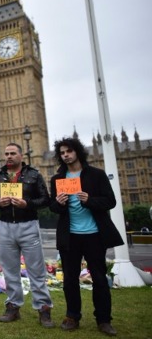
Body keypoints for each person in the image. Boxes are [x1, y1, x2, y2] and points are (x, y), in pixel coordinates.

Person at [49, 137, 123, 336]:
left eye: (69, 151)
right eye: (62, 153)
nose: (66, 155)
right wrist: (59, 202)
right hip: (70, 236)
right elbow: (53, 207)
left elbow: (110, 201)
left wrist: (90, 200)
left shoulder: (96, 175)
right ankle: (72, 316)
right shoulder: (58, 179)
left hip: (94, 235)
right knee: (70, 280)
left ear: (77, 152)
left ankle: (104, 320)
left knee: (99, 278)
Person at [0, 142, 54, 328]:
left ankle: (43, 308)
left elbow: (45, 199)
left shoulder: (34, 174)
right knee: (9, 270)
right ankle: (13, 306)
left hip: (28, 225)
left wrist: (27, 203)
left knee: (36, 270)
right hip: (5, 226)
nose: (9, 156)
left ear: (21, 156)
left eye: (13, 153)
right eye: (6, 153)